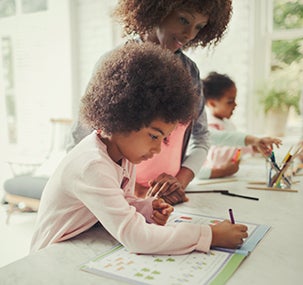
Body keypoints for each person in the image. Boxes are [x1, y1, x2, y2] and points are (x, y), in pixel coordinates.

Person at [30, 42, 248, 254]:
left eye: (162, 139)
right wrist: (209, 235)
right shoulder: (92, 164)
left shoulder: (122, 156)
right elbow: (137, 238)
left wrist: (146, 208)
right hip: (52, 258)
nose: (157, 149)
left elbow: (119, 200)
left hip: (83, 247)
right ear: (122, 117)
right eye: (154, 135)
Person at [67, 0, 233, 205]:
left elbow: (201, 137)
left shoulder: (190, 73)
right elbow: (80, 139)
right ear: (157, 9)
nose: (189, 34)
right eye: (184, 20)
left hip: (164, 201)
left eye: (199, 27)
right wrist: (114, 192)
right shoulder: (116, 63)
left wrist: (178, 182)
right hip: (116, 197)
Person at [197, 72, 282, 179]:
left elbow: (236, 144)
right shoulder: (209, 126)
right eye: (230, 101)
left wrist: (254, 146)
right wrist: (250, 147)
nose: (235, 104)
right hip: (214, 180)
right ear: (212, 103)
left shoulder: (227, 123)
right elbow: (216, 157)